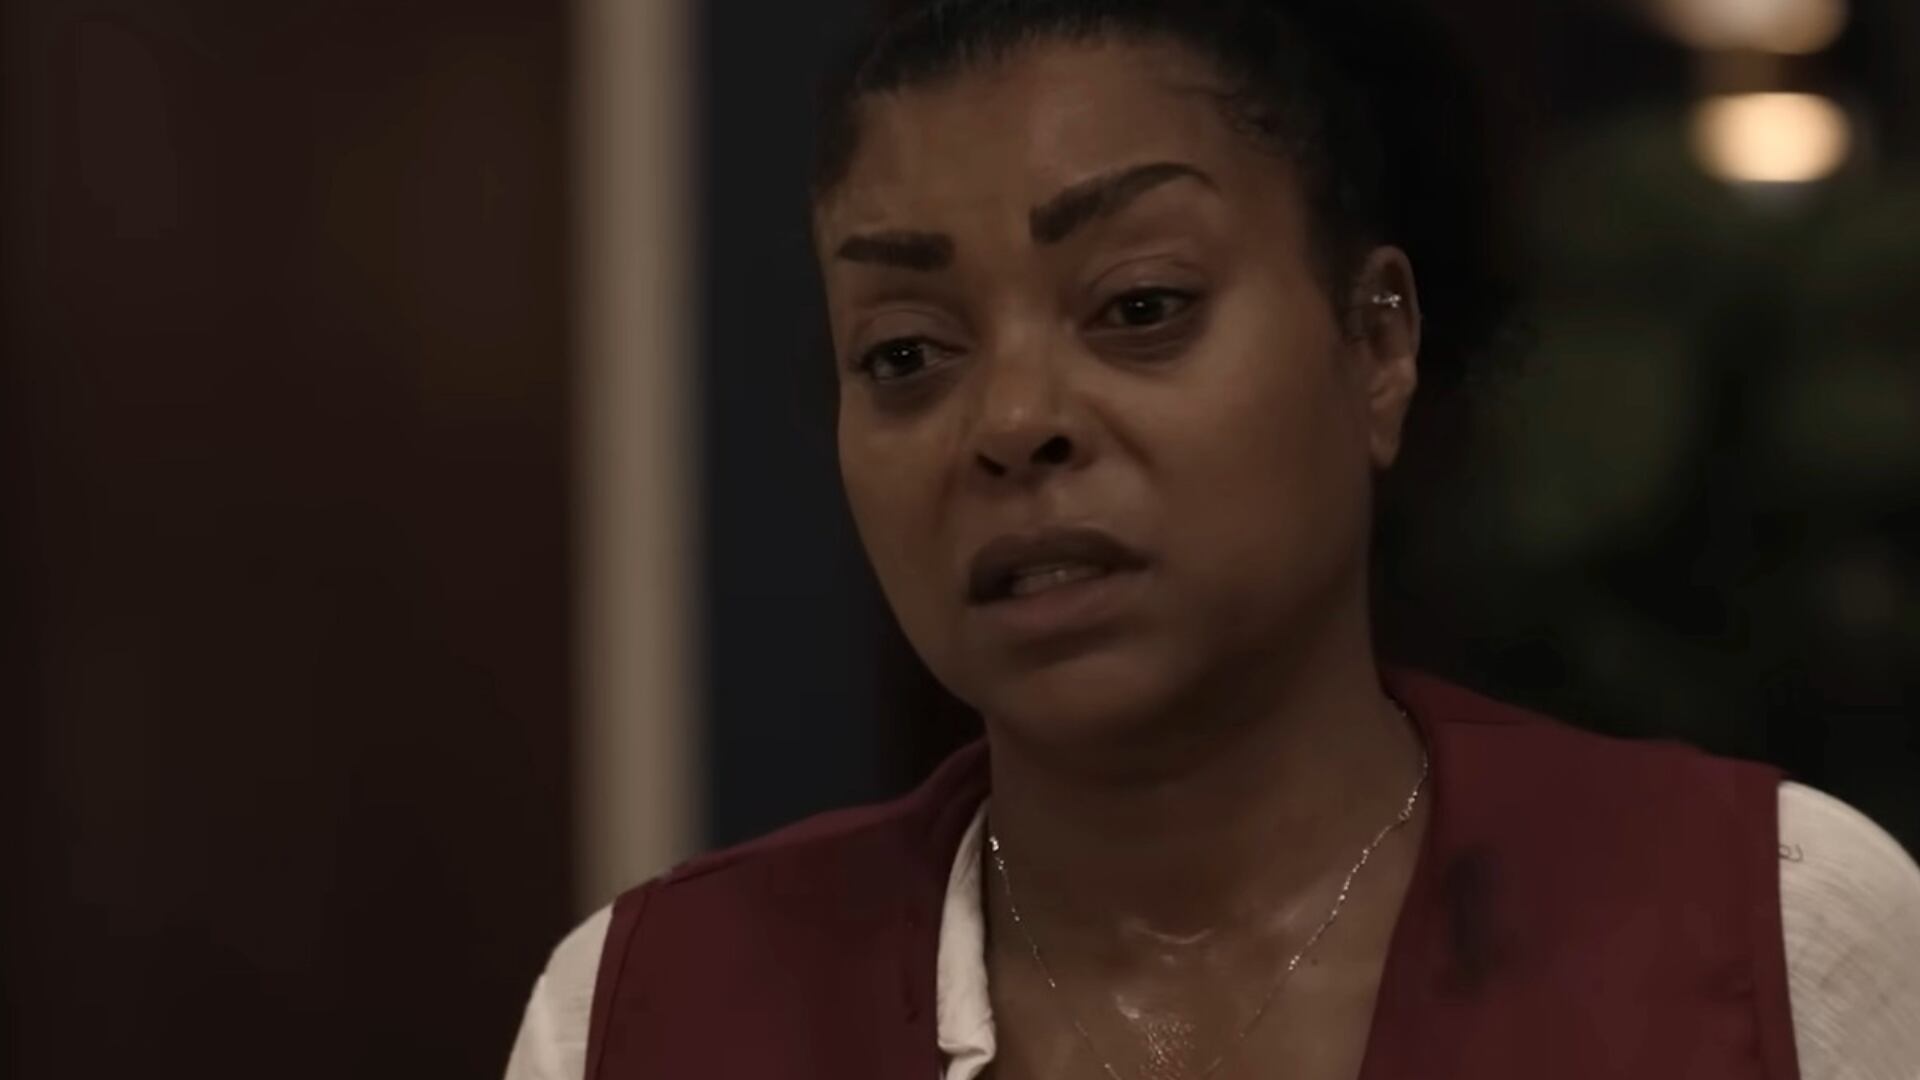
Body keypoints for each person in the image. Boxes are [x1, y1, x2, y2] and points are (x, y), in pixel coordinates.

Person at [508, 1, 1920, 1076]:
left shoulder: (1772, 931)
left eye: (1139, 307)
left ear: (1376, 345)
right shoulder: (644, 1014)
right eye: (905, 355)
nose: (1013, 421)